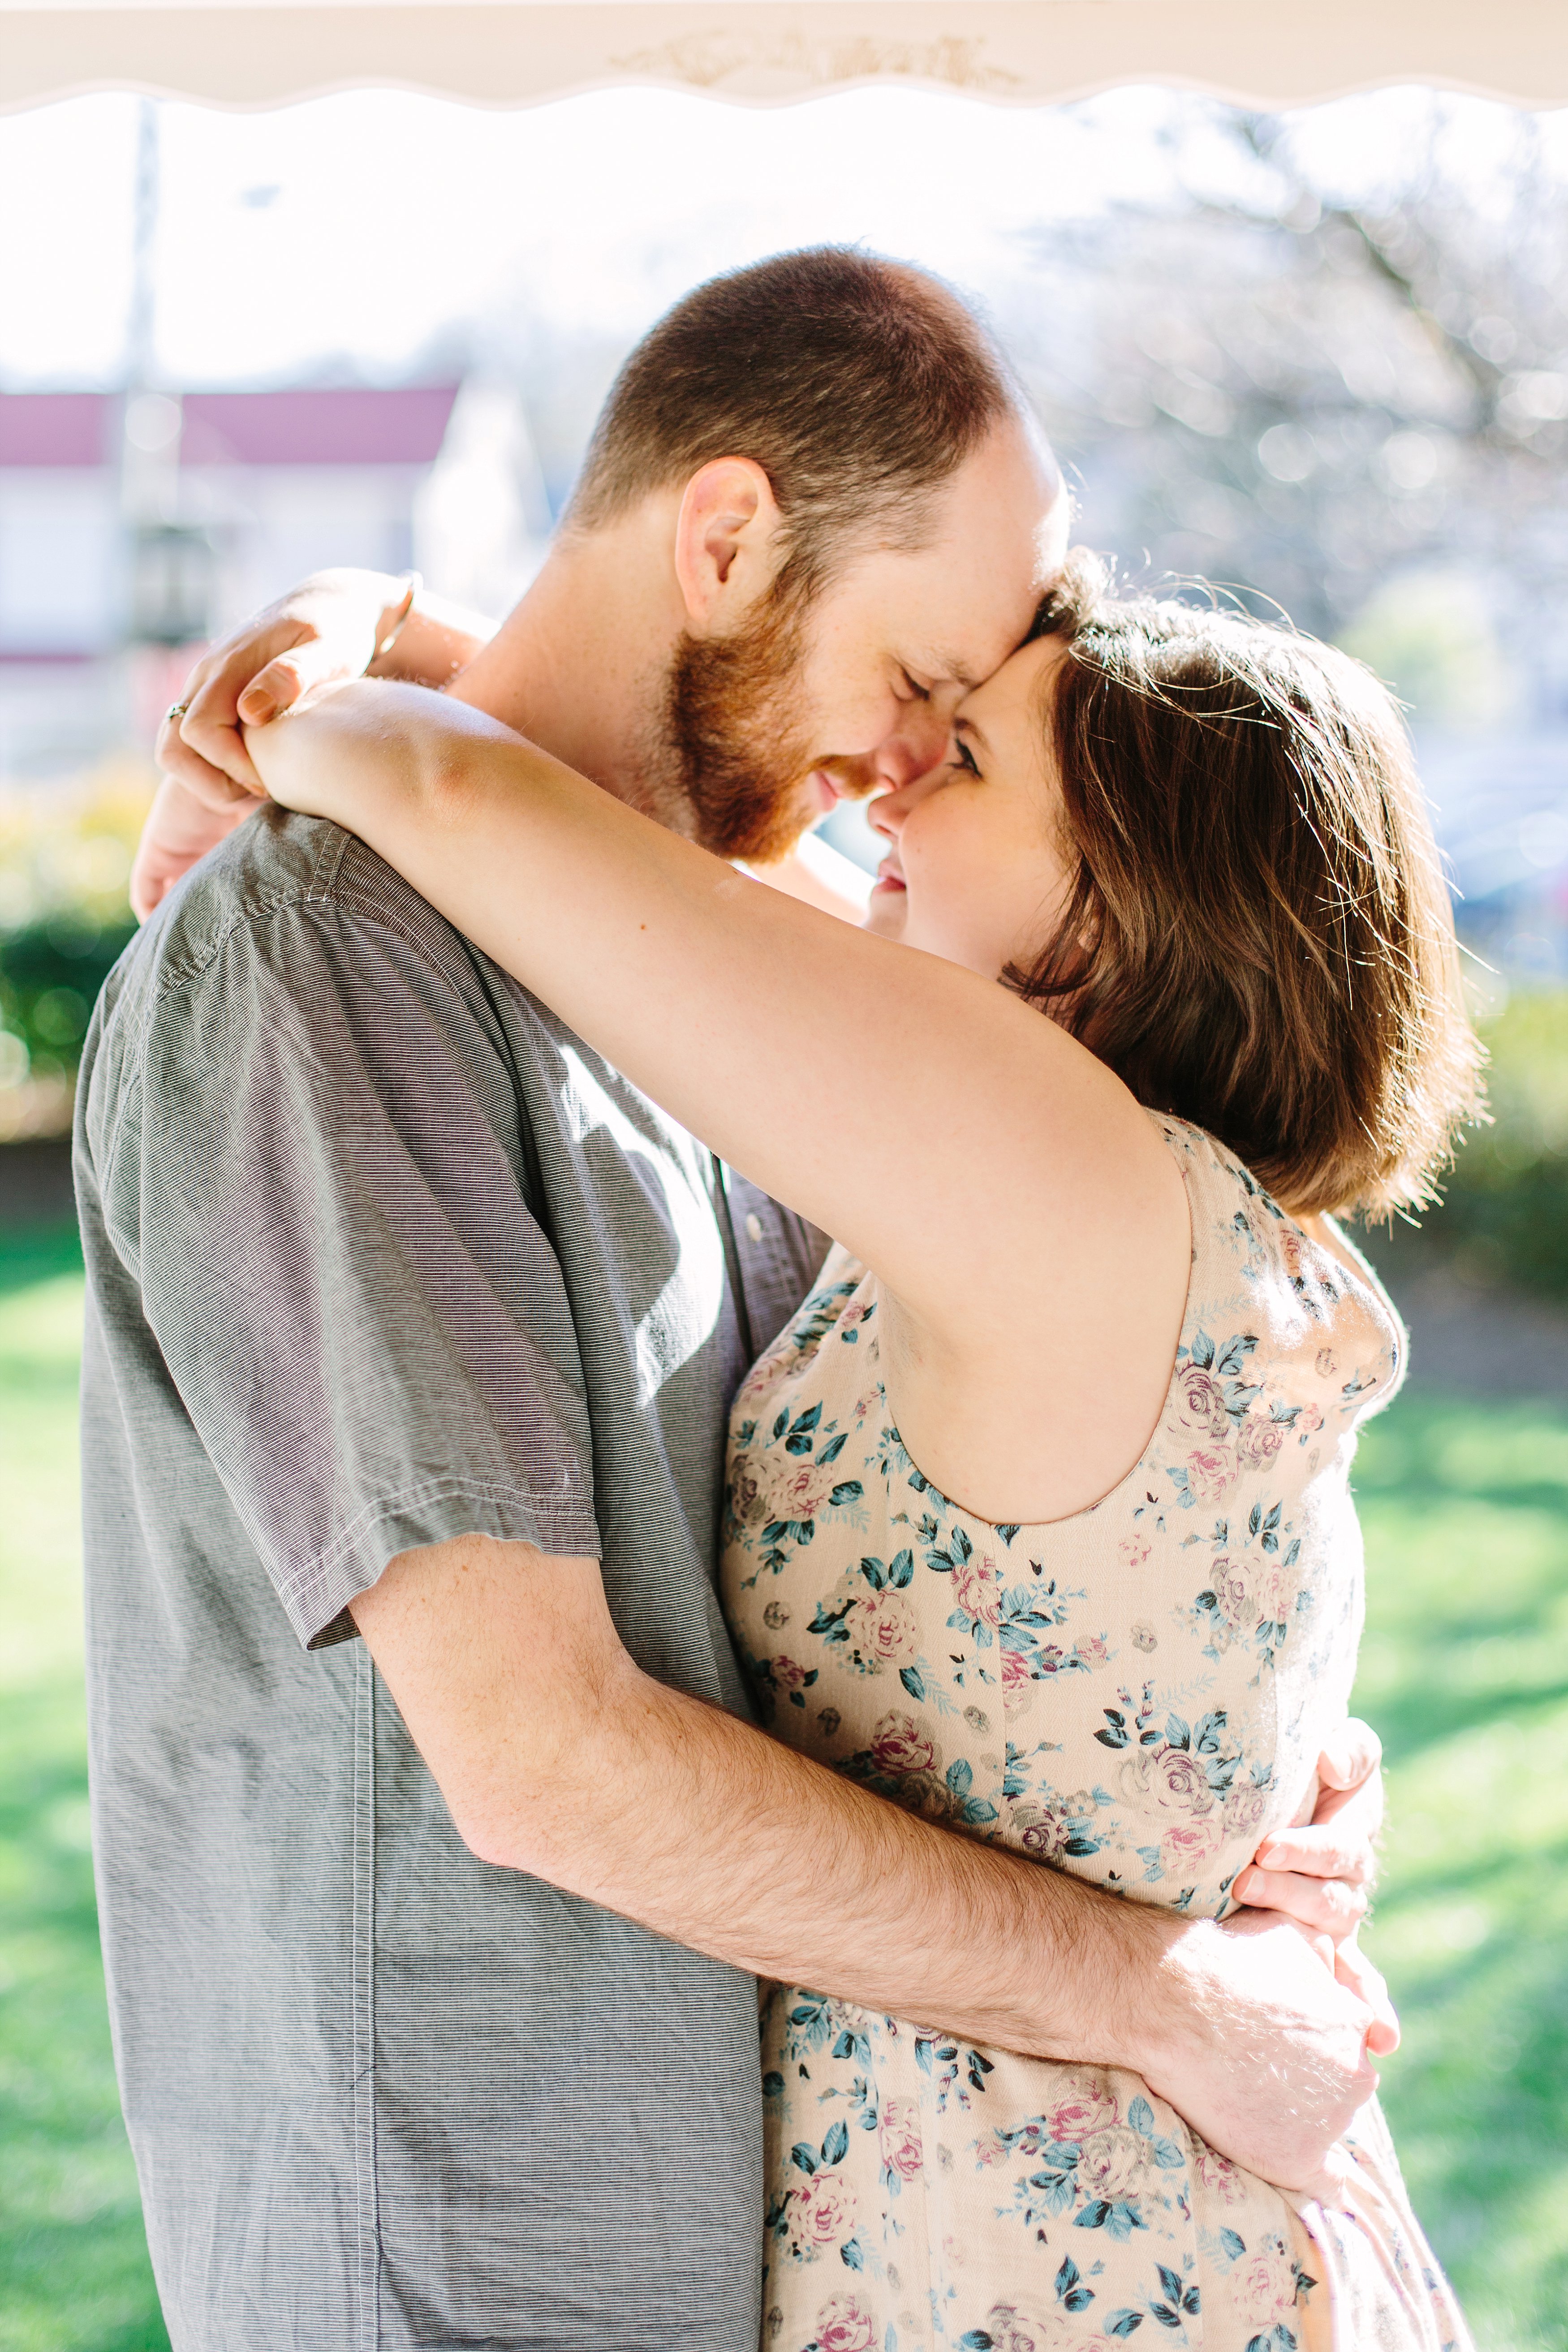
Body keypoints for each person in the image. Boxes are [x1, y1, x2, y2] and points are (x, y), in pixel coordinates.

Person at [87, 250, 1387, 2352]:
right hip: (473, 2252)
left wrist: (1231, 1785)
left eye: (957, 741)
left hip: (795, 2246)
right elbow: (541, 1760)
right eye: (921, 688)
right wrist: (1164, 1985)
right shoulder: (330, 953)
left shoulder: (722, 985)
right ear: (722, 538)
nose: (899, 770)